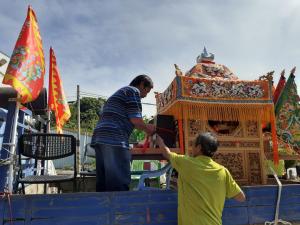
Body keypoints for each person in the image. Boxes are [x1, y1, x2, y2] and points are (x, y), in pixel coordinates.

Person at [156, 132, 246, 225]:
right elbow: (241, 197)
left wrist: (159, 140)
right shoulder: (223, 171)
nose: (192, 148)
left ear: (199, 148)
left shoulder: (187, 163)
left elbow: (166, 153)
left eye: (193, 145)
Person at [91, 75, 156, 192]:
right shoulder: (133, 91)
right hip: (114, 138)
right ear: (141, 84)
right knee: (118, 185)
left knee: (104, 185)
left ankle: (105, 210)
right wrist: (148, 128)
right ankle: (119, 210)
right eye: (147, 91)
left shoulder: (120, 93)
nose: (145, 96)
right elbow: (136, 121)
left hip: (99, 138)